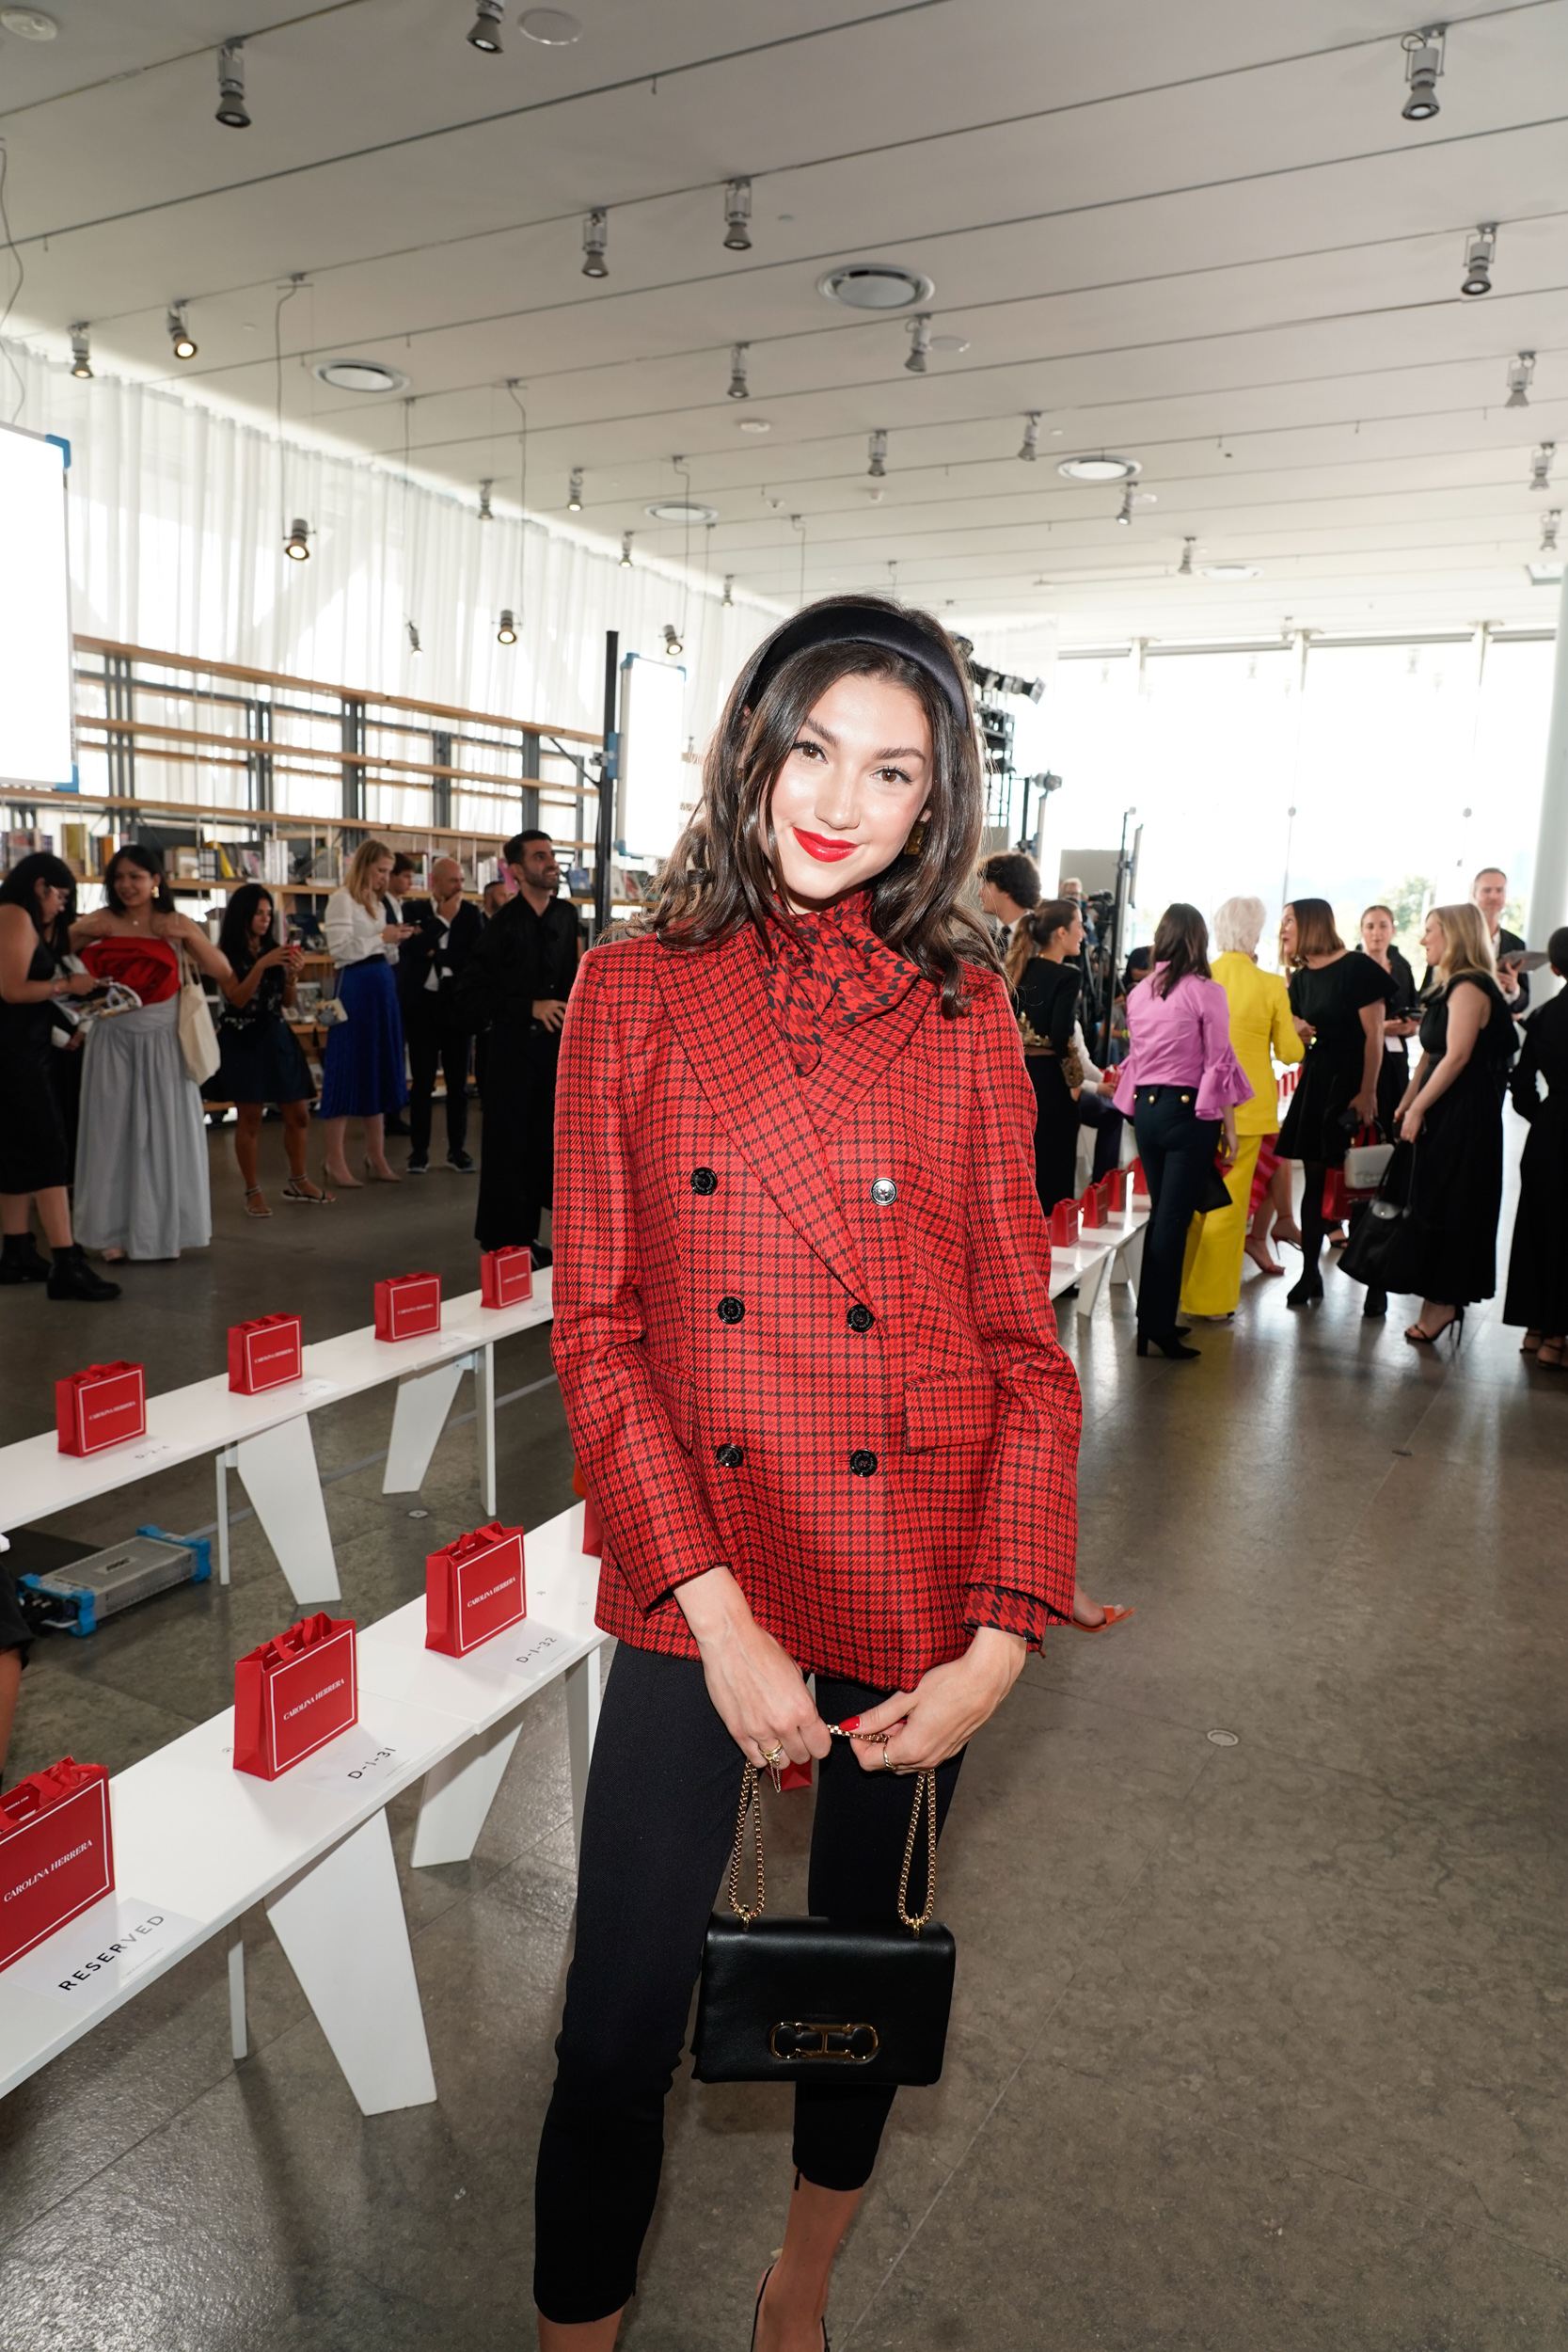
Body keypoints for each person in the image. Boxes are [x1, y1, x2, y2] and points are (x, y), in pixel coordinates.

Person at [532, 596, 1083, 2350]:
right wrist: (715, 1619)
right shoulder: (627, 993)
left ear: (939, 809)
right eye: (815, 748)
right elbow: (597, 1333)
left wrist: (998, 1639)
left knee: (855, 1986)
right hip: (699, 1574)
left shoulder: (965, 1017)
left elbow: (1022, 1354)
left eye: (894, 771)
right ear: (752, 748)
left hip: (911, 1589)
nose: (842, 799)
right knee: (614, 2026)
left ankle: (802, 2287)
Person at [69, 845, 230, 1263]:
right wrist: (83, 933)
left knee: (165, 1133)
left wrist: (192, 934)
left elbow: (222, 971)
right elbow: (51, 953)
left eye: (136, 876)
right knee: (110, 1133)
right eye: (119, 877)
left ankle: (163, 1230)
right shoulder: (102, 921)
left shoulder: (174, 923)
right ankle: (108, 1231)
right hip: (111, 1037)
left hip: (163, 1039)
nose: (126, 885)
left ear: (156, 880)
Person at [1112, 903, 1250, 1359]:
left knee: (1163, 1218)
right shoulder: (1205, 992)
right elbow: (1218, 1062)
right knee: (1173, 1221)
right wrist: (1229, 1126)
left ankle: (1152, 1322)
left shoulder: (1139, 993)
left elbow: (1138, 1058)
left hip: (1146, 1112)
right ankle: (1156, 1327)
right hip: (1188, 1113)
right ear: (1199, 941)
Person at [1391, 903, 1513, 1345]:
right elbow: (1431, 1053)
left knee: (1451, 1203)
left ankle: (1443, 1302)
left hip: (1464, 1115)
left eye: (1430, 931)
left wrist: (1420, 1107)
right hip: (1446, 1107)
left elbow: (1458, 1055)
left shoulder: (1469, 986)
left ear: (1454, 937)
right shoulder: (1448, 986)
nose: (1423, 940)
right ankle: (1438, 1299)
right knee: (1435, 1200)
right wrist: (1409, 1101)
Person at [0, 852, 119, 1300]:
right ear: (40, 886)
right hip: (16, 1056)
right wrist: (67, 987)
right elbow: (12, 989)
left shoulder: (26, 920)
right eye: (60, 896)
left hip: (24, 1048)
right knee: (49, 1151)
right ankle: (66, 1262)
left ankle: (15, 1251)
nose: (60, 906)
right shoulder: (13, 915)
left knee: (15, 1155)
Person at [1180, 895, 1303, 1316]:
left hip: (1198, 1104)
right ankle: (1210, 1300)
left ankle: (1183, 1289)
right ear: (1255, 933)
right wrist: (1302, 1032)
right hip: (1248, 1109)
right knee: (1229, 1208)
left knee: (1195, 1201)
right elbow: (1289, 1052)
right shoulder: (1270, 985)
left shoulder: (1200, 978)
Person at [460, 829, 578, 1260]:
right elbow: (472, 996)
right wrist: (528, 1007)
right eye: (539, 856)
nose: (550, 863)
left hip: (554, 1057)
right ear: (517, 871)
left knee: (545, 1148)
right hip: (511, 1057)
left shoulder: (566, 917)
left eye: (551, 854)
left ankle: (528, 1239)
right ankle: (505, 1245)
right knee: (509, 1149)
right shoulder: (503, 927)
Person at [1274, 898, 1386, 1311]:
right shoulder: (1300, 978)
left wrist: (1368, 1091)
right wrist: (1297, 1029)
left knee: (1363, 1183)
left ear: (1311, 923)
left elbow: (1374, 1036)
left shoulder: (1358, 969)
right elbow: (1304, 1035)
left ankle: (1374, 1281)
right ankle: (1309, 1273)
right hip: (1319, 1081)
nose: (1283, 928)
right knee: (1315, 1180)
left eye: (1289, 920)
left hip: (1357, 1079)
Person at [208, 884, 331, 1214]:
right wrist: (262, 965)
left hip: (275, 1035)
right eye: (258, 913)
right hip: (242, 1037)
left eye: (268, 914)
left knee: (299, 1113)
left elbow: (287, 1002)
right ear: (243, 915)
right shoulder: (226, 952)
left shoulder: (274, 949)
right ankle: (252, 1190)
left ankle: (299, 1178)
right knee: (250, 1117)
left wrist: (292, 976)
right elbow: (236, 997)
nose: (264, 920)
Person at [319, 840, 415, 1190]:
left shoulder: (377, 902)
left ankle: (376, 1154)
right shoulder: (342, 899)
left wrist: (392, 941)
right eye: (381, 871)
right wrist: (380, 937)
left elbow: (382, 952)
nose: (385, 878)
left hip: (381, 988)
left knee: (378, 1067)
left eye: (389, 872)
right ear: (365, 867)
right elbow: (341, 950)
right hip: (356, 990)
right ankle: (334, 1158)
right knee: (347, 1067)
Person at [1503, 925, 1568, 1366]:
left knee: (1537, 1227)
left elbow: (1521, 1085)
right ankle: (1558, 1338)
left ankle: (1535, 1329)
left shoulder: (1543, 1016)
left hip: (1551, 1131)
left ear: (1557, 967)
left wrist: (1543, 1116)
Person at [396, 856, 483, 1174]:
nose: (460, 887)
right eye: (453, 881)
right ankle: (419, 1152)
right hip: (422, 1006)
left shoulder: (472, 914)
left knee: (459, 1085)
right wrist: (442, 923)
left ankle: (457, 1150)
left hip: (457, 1008)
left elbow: (475, 957)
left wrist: (435, 947)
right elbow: (412, 951)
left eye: (461, 881)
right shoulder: (413, 911)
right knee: (421, 1083)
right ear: (435, 883)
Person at [1006, 898, 1085, 1217]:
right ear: (1062, 933)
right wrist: (1075, 1079)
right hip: (1051, 1081)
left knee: (1026, 1166)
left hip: (1018, 1076)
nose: (1084, 933)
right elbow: (1061, 1033)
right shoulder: (1068, 976)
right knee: (1056, 1165)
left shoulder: (1018, 968)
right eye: (1079, 926)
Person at [1356, 903, 1421, 1137]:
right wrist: (1380, 1028)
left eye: (1383, 926)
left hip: (1396, 1055)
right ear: (1361, 931)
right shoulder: (1352, 969)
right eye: (1370, 926)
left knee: (1392, 1115)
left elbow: (1415, 1010)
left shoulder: (1402, 970)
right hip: (1360, 1055)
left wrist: (1408, 1027)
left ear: (1392, 930)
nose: (1377, 933)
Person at [383, 852, 420, 1136]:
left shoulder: (400, 905)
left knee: (398, 1046)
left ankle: (393, 1109)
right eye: (405, 876)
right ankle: (388, 1112)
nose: (410, 881)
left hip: (402, 981)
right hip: (391, 978)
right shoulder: (382, 903)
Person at [1472, 866, 1528, 1017]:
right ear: (1474, 894)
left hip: (1498, 1030)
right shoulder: (1456, 938)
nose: (1494, 896)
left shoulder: (1516, 944)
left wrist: (1514, 989)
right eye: (1487, 890)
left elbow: (1524, 1002)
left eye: (1499, 890)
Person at [977, 850, 1039, 954]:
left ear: (1007, 888)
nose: (979, 893)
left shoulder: (1043, 937)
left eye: (986, 884)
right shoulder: (979, 938)